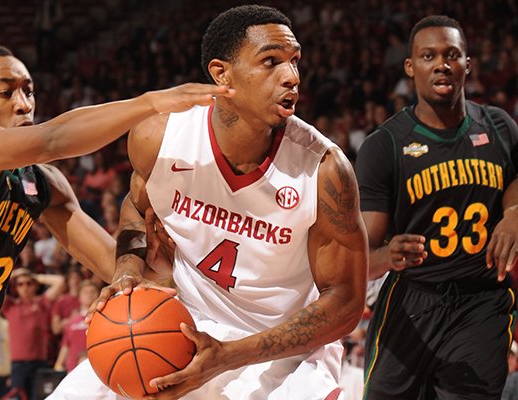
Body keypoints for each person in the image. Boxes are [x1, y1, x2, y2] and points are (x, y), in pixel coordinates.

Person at [50, 4, 368, 399]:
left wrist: (229, 356)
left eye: (294, 61)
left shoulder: (323, 170)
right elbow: (136, 204)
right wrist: (127, 268)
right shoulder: (160, 137)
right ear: (222, 74)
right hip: (184, 326)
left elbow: (346, 303)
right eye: (271, 62)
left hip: (284, 351)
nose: (292, 77)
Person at [0, 43, 232, 400]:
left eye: (28, 90)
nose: (23, 104)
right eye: (5, 92)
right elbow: (52, 139)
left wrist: (154, 272)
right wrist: (151, 103)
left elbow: (116, 270)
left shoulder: (41, 185)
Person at [355, 15, 518, 399]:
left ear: (467, 64)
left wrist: (512, 215)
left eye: (452, 54)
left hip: (481, 300)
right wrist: (388, 257)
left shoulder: (498, 126)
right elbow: (360, 257)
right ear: (410, 67)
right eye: (428, 56)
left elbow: (515, 177)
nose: (442, 64)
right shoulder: (386, 145)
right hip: (413, 300)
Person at [2, 268, 64, 400]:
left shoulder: (41, 303)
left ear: (35, 285)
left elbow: (60, 281)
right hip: (17, 366)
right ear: (15, 287)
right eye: (20, 284)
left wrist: (35, 276)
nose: (25, 287)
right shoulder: (10, 306)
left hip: (39, 364)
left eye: (29, 283)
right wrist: (14, 274)